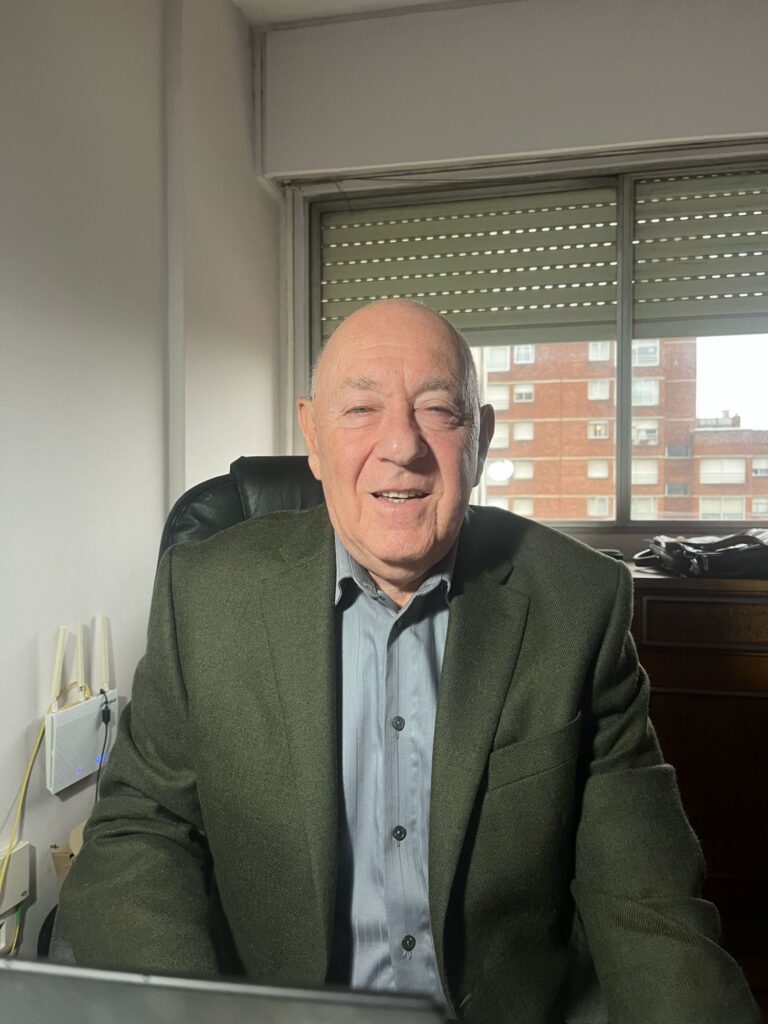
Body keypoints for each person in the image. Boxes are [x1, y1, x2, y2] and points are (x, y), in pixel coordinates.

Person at [58, 299, 759, 1023]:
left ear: (480, 439)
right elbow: (139, 831)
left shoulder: (578, 605)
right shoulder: (206, 594)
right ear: (312, 435)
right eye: (361, 408)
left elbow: (648, 904)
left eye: (438, 410)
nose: (401, 445)